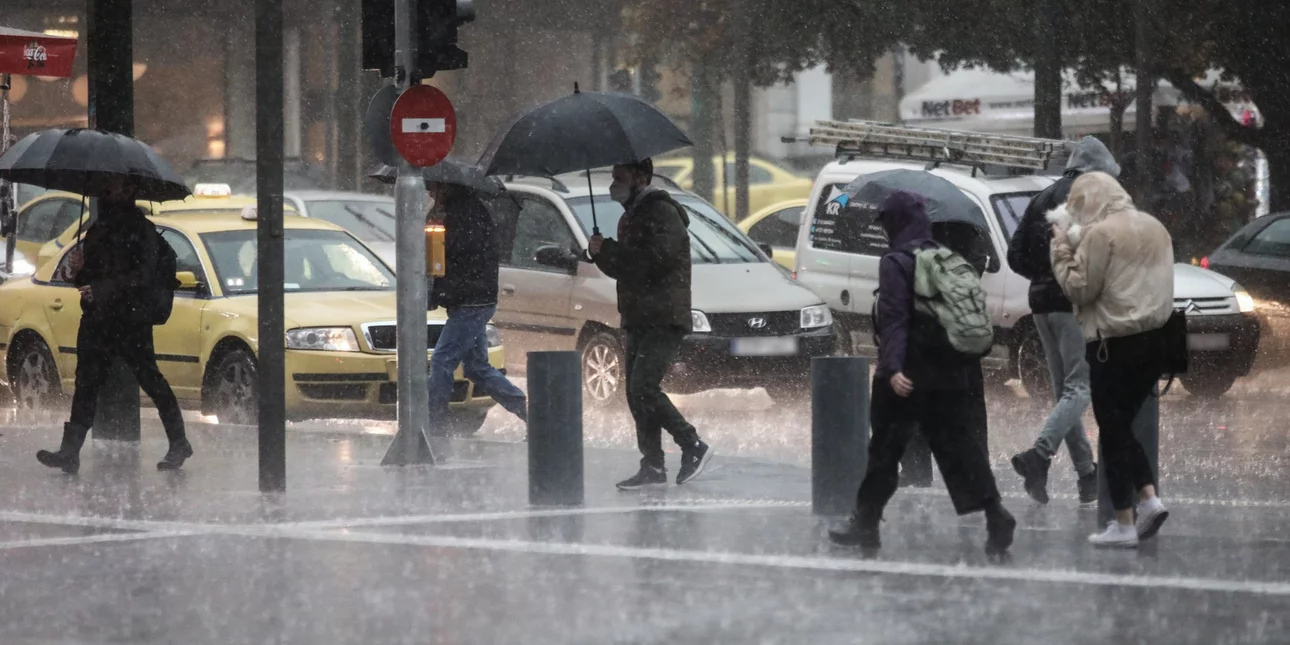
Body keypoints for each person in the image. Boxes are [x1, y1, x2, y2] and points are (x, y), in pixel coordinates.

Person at [829, 191, 1015, 555]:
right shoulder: (944, 257)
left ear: (895, 222)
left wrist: (893, 369)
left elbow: (895, 320)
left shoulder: (897, 261)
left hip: (909, 376)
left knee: (883, 450)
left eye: (885, 222)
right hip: (949, 372)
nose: (883, 231)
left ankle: (865, 524)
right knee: (961, 449)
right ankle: (996, 513)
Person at [1049, 172, 1173, 548]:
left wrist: (1061, 249)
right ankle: (1148, 499)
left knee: (1113, 429)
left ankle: (1126, 521)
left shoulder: (1102, 234)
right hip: (1157, 342)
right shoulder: (1156, 227)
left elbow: (1080, 288)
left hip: (1114, 343)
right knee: (1121, 426)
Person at [36, 188, 192, 474]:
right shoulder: (98, 229)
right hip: (98, 321)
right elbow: (90, 279)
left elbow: (141, 276)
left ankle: (179, 441)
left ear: (128, 192)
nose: (107, 191)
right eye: (105, 185)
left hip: (130, 321)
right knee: (86, 383)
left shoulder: (141, 231)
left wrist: (102, 289)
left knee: (149, 378)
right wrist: (77, 270)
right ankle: (70, 451)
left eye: (114, 185)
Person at [1006, 136, 1119, 504]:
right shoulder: (1093, 196)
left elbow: (1014, 254)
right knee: (1080, 386)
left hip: (1040, 304)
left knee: (1064, 391)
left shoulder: (1042, 196)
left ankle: (1087, 475)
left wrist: (1042, 276)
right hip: (1073, 302)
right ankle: (1039, 455)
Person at [588, 159, 713, 490]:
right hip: (637, 316)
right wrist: (601, 253)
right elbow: (625, 269)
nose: (614, 183)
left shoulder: (660, 211)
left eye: (620, 177)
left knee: (643, 387)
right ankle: (653, 464)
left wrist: (613, 250)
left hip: (663, 316)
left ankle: (692, 444)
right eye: (612, 177)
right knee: (634, 393)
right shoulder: (631, 216)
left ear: (640, 177)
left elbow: (655, 261)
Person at [425, 182, 527, 434]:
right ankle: (530, 413)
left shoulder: (465, 214)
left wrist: (437, 228)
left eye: (432, 188)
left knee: (441, 360)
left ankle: (432, 424)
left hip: (472, 301)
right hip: (471, 299)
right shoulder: (463, 211)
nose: (430, 193)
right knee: (476, 367)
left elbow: (452, 252)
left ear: (446, 188)